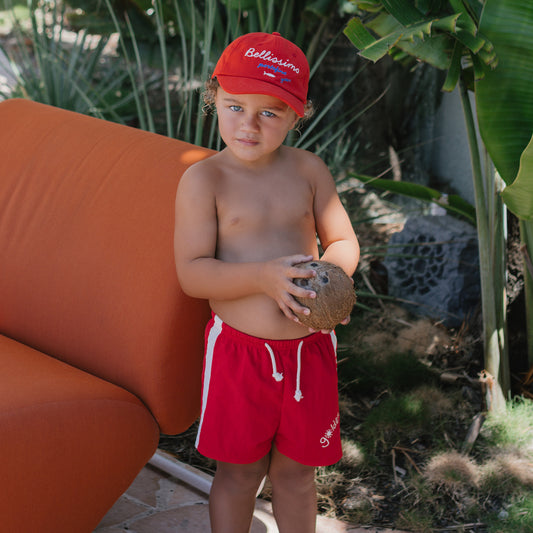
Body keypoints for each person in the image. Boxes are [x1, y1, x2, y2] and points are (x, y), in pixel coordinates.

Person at [174, 31, 360, 533]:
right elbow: (192, 273)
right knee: (239, 474)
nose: (249, 125)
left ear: (297, 115)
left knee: (298, 475)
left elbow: (343, 241)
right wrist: (263, 276)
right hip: (240, 356)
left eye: (269, 113)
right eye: (235, 107)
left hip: (308, 353)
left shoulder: (309, 171)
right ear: (214, 100)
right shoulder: (205, 180)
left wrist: (332, 281)